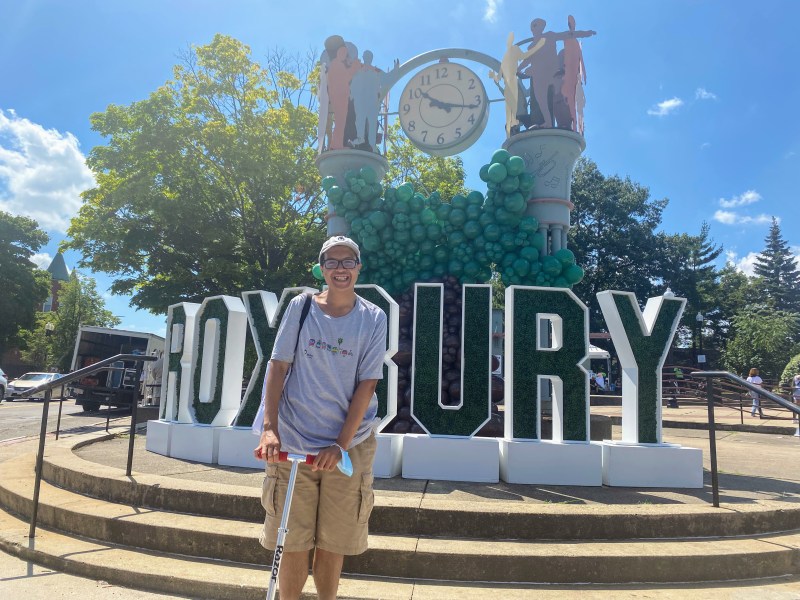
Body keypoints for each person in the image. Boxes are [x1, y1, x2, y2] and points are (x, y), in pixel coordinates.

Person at [254, 235, 387, 600]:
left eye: (348, 261)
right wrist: (269, 429)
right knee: (291, 540)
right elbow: (278, 366)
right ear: (321, 268)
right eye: (332, 262)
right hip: (293, 441)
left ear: (358, 268)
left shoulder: (373, 317)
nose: (340, 269)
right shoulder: (301, 306)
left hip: (348, 446)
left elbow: (368, 383)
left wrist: (339, 446)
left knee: (333, 541)